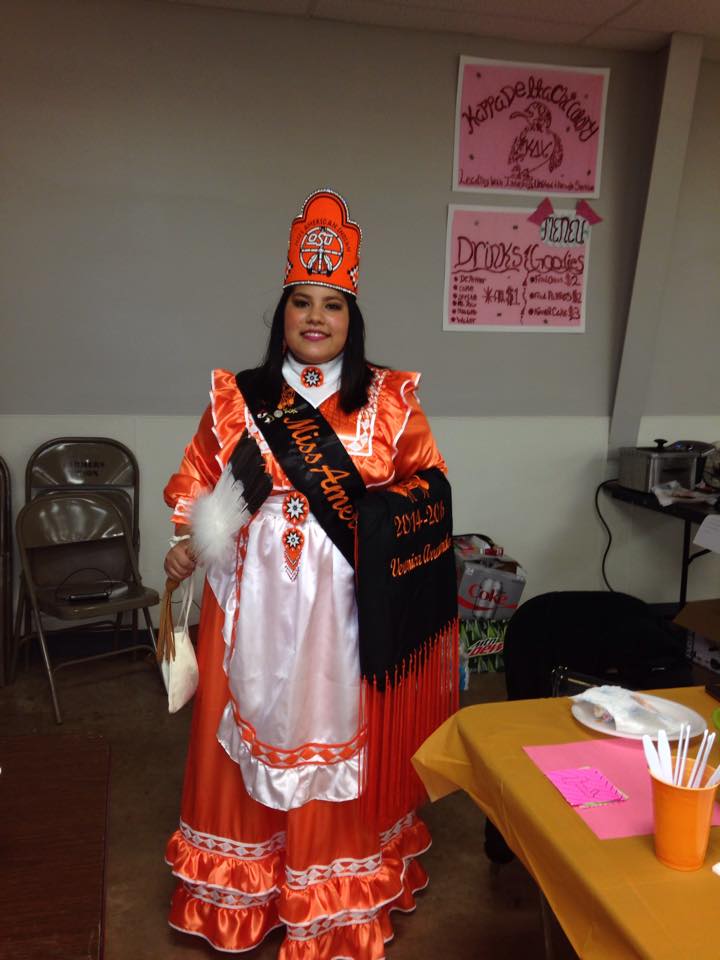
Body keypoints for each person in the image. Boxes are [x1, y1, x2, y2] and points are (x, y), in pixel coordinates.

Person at [163, 189, 457, 958]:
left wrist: (377, 520)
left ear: (352, 319)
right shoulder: (238, 401)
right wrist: (191, 537)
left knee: (344, 744)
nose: (316, 317)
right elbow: (196, 482)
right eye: (301, 302)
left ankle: (333, 890)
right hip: (252, 613)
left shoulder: (390, 402)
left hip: (349, 617)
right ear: (282, 314)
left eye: (332, 304)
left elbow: (430, 488)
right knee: (243, 745)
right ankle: (247, 890)